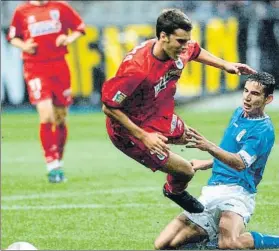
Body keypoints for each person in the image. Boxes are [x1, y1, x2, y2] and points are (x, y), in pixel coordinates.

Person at [101, 8, 256, 213]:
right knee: (185, 171)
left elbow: (195, 50)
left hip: (156, 114)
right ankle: (174, 190)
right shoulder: (136, 70)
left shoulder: (178, 50)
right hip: (130, 131)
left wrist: (225, 65)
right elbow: (109, 107)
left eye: (186, 41)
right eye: (180, 41)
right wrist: (145, 136)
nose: (185, 47)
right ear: (163, 37)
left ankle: (182, 168)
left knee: (192, 138)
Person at [154, 72, 279, 250]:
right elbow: (230, 153)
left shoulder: (263, 130)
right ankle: (210, 243)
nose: (247, 97)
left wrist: (209, 146)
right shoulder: (239, 113)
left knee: (230, 243)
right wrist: (206, 163)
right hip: (213, 190)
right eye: (245, 91)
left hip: (238, 192)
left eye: (255, 94)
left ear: (268, 99)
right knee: (164, 244)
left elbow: (240, 163)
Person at [7, 0, 85, 183]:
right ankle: (52, 165)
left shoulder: (60, 7)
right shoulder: (22, 11)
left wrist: (68, 38)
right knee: (46, 115)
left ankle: (58, 160)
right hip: (35, 67)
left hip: (59, 66)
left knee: (60, 118)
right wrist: (24, 46)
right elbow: (13, 36)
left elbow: (79, 28)